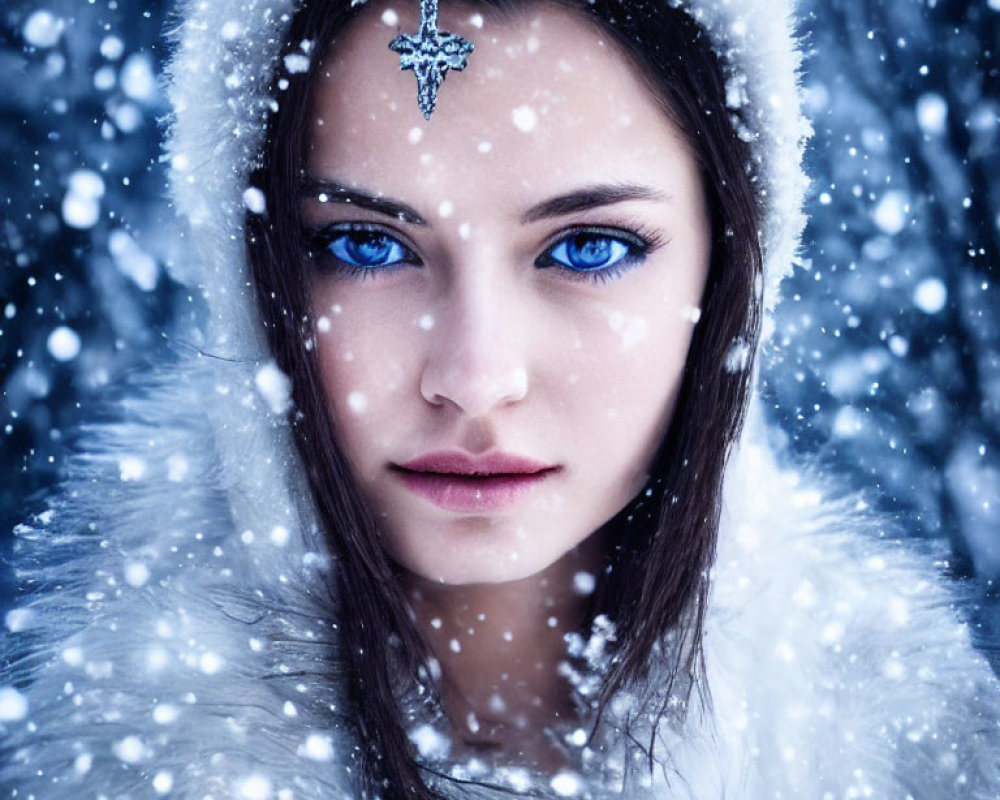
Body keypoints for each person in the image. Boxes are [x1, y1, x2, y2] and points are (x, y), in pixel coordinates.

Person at [1, 0, 998, 798]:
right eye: (363, 244)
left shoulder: (910, 753)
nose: (475, 377)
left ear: (733, 268)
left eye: (588, 247)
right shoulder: (112, 758)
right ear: (250, 277)